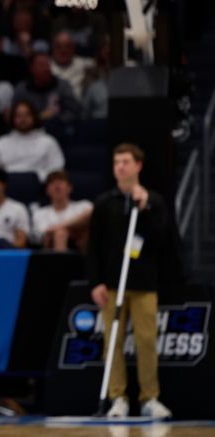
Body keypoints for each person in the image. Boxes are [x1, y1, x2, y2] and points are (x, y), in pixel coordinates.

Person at [87, 144, 179, 419]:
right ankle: (118, 398)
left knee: (147, 341)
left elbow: (162, 238)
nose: (120, 167)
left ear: (138, 165)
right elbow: (94, 246)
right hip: (112, 284)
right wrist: (96, 282)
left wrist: (146, 207)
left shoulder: (154, 201)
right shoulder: (105, 203)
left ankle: (149, 397)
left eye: (126, 161)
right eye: (117, 162)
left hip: (144, 284)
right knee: (112, 341)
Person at [0, 101, 65, 181]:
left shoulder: (48, 142)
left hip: (40, 187)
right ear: (12, 118)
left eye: (27, 115)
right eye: (18, 115)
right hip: (8, 186)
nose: (23, 119)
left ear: (34, 117)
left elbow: (57, 169)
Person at [32, 170, 93, 252]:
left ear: (69, 188)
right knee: (60, 234)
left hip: (82, 246)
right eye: (52, 183)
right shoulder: (40, 213)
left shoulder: (83, 205)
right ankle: (61, 264)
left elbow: (91, 213)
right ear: (47, 190)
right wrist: (67, 228)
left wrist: (63, 226)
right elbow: (45, 233)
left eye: (61, 182)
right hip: (51, 248)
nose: (57, 186)